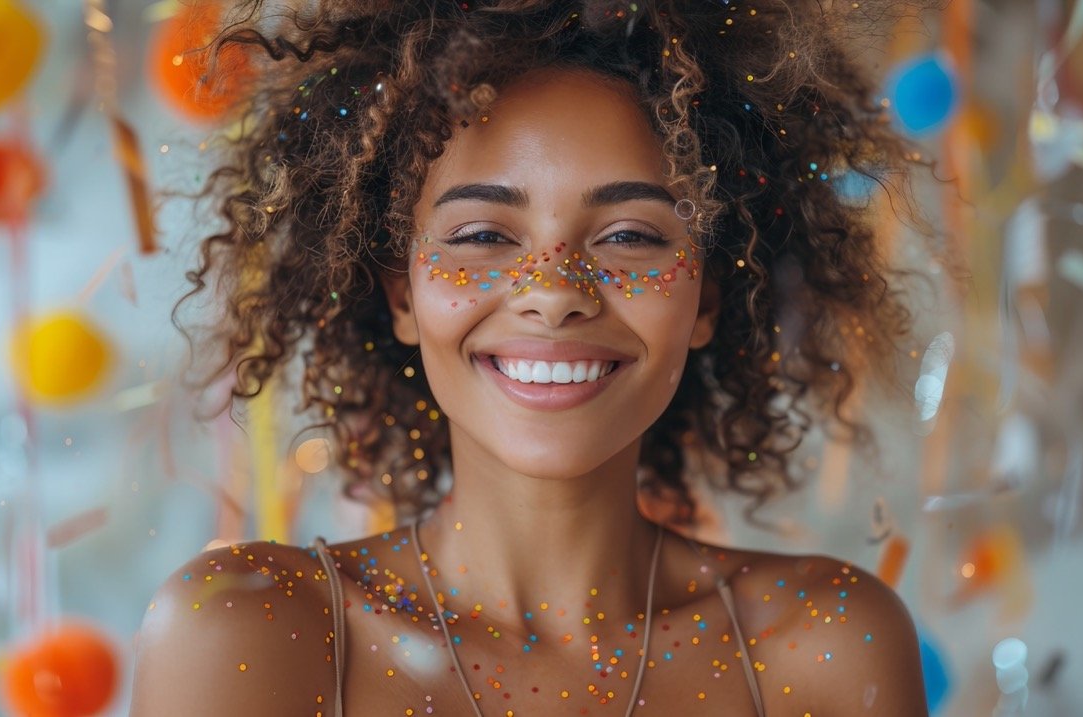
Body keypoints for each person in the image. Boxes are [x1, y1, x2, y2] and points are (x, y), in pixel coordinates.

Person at [131, 1, 929, 714]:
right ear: (403, 297)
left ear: (707, 301)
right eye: (482, 237)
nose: (553, 293)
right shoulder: (251, 628)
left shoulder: (826, 642)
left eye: (630, 237)